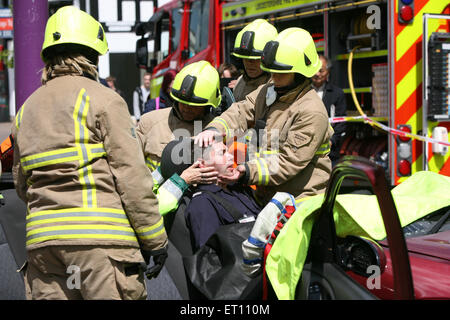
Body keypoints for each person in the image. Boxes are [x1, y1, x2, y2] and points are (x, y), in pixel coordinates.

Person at [11, 6, 168, 300]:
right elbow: (132, 178)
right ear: (92, 55)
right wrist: (155, 239)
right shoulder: (104, 100)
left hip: (44, 246)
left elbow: (22, 185)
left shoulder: (25, 111)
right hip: (101, 247)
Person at [195, 28, 334, 206]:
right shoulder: (270, 90)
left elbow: (287, 161)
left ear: (300, 73)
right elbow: (241, 111)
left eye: (280, 72)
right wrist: (214, 129)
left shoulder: (311, 111)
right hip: (269, 197)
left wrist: (246, 171)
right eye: (271, 70)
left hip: (299, 202)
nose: (273, 77)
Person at [136, 60, 222, 216]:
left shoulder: (217, 130)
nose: (186, 108)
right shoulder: (149, 122)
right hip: (154, 210)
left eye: (195, 104)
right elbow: (131, 169)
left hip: (198, 212)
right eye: (182, 102)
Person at [160, 138, 261, 250]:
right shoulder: (203, 204)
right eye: (222, 153)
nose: (231, 157)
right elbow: (211, 258)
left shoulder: (239, 188)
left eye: (227, 151)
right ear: (202, 164)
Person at [312, 54, 347, 166]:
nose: (317, 74)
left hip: (330, 155)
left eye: (321, 71)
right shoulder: (302, 92)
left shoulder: (337, 94)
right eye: (315, 70)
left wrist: (332, 141)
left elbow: (341, 123)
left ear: (328, 72)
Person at [231, 19, 278, 102]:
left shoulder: (276, 86)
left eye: (255, 59)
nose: (249, 63)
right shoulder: (239, 82)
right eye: (245, 58)